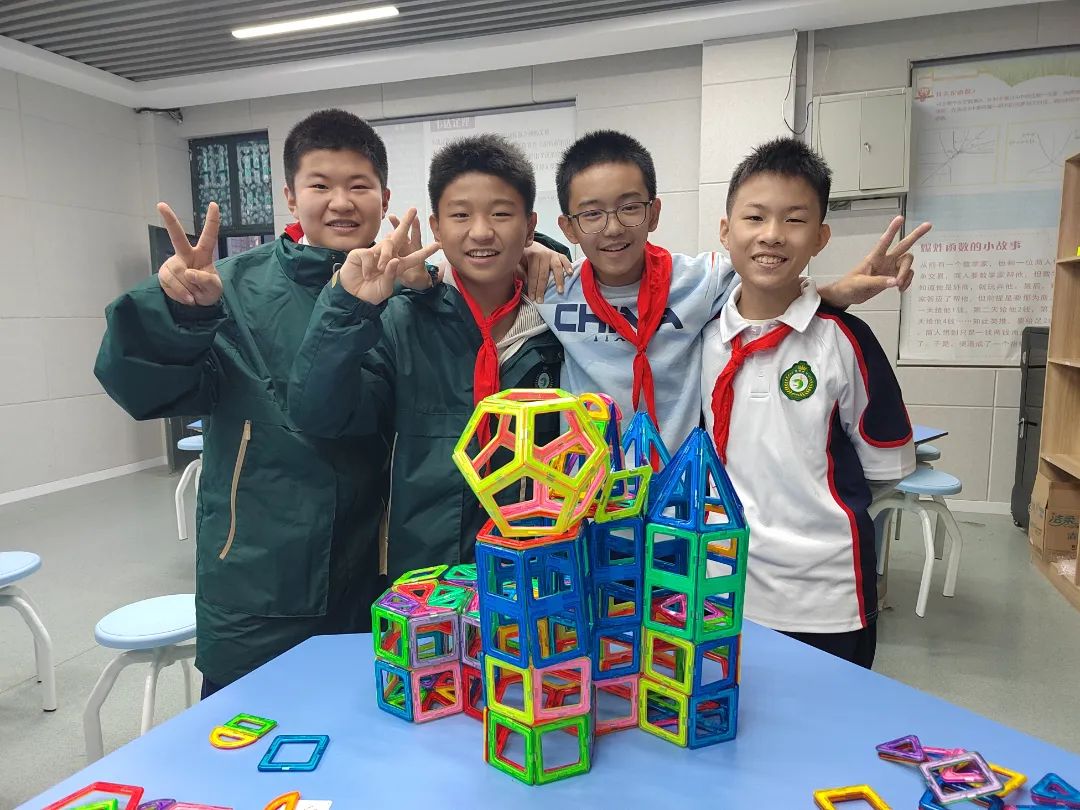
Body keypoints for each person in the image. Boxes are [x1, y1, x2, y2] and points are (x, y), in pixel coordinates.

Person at [94, 109, 422, 695]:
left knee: (365, 728)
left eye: (359, 185)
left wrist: (539, 253)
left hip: (373, 574)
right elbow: (144, 389)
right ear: (291, 197)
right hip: (256, 576)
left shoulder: (406, 293)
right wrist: (177, 315)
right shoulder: (228, 288)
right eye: (320, 185)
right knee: (245, 734)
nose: (341, 202)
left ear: (384, 198)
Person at [288, 134, 570, 581]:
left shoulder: (559, 324)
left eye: (501, 213)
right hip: (427, 577)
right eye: (461, 215)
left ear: (530, 224)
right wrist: (348, 307)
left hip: (539, 572)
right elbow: (321, 416)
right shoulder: (401, 320)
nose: (481, 231)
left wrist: (555, 252)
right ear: (436, 227)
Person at [537, 129, 928, 452]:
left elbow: (771, 292)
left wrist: (840, 290)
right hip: (586, 495)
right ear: (568, 228)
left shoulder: (702, 280)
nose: (612, 228)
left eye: (630, 207)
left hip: (678, 492)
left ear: (653, 213)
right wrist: (531, 250)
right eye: (591, 214)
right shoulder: (552, 288)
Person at [700, 137, 916, 668]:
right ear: (726, 231)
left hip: (826, 600)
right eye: (755, 217)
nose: (772, 234)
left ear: (820, 237)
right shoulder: (701, 337)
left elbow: (883, 471)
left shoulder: (844, 341)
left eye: (794, 220)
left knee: (829, 717)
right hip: (721, 588)